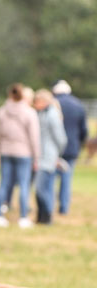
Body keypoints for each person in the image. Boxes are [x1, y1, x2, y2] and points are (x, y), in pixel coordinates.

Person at [0, 83, 40, 228]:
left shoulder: (2, 111)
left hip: (5, 151)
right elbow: (34, 137)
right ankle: (23, 217)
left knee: (4, 183)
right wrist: (36, 157)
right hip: (24, 152)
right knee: (24, 185)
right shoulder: (29, 112)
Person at [52, 80, 88, 215]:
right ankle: (63, 207)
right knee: (66, 179)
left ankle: (49, 206)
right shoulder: (78, 104)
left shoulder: (52, 103)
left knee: (51, 178)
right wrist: (81, 143)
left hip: (54, 148)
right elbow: (84, 129)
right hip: (71, 148)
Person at [33, 89, 67, 224]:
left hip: (48, 157)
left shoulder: (52, 115)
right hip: (41, 156)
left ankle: (47, 216)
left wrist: (57, 154)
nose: (35, 104)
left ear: (44, 101)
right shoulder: (42, 113)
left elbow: (61, 138)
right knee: (42, 188)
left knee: (41, 188)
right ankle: (41, 216)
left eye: (37, 101)